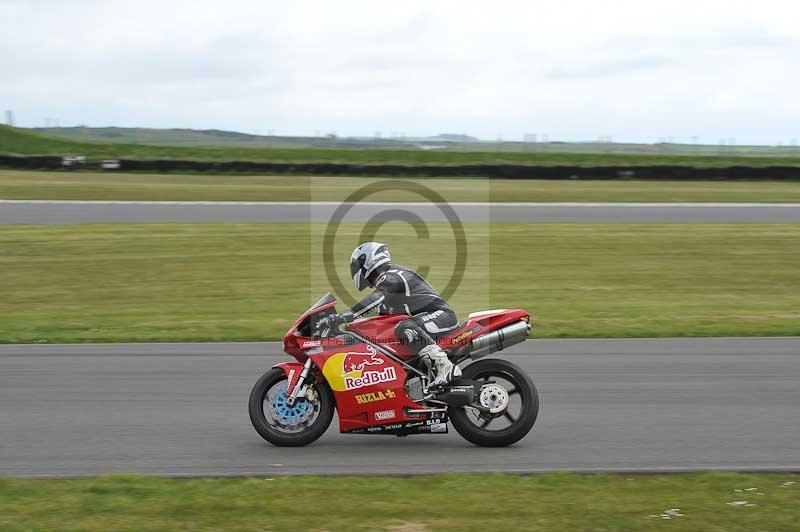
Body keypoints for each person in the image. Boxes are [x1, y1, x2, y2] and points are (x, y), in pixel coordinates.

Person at [321, 242, 460, 386]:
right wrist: (348, 330)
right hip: (426, 322)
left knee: (405, 328)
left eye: (357, 266)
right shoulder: (387, 286)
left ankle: (445, 366)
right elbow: (379, 323)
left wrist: (345, 315)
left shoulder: (390, 275)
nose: (355, 271)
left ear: (369, 261)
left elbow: (376, 298)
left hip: (441, 316)